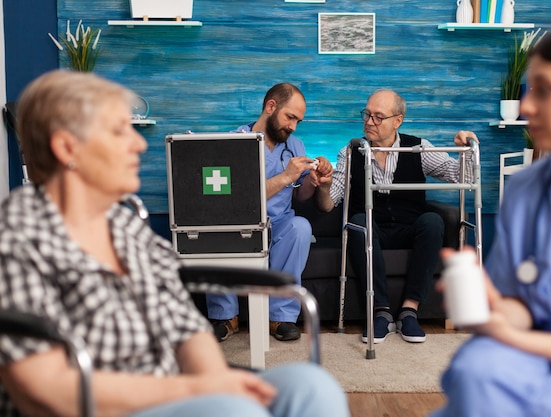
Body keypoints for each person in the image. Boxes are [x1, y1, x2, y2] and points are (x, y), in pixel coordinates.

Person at [0, 70, 350, 417]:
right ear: (66, 147)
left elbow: (186, 328)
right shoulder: (20, 234)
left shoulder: (125, 227)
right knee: (234, 411)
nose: (138, 143)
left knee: (312, 387)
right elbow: (44, 389)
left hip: (169, 383)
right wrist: (196, 389)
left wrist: (216, 380)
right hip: (110, 402)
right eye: (120, 131)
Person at [430, 24, 551, 417]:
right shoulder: (526, 190)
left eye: (544, 90)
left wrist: (510, 336)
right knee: (475, 371)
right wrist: (493, 307)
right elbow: (522, 307)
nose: (525, 107)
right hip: (527, 351)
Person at [322, 89, 478, 344]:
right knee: (359, 223)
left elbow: (464, 176)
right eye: (367, 115)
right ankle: (381, 312)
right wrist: (322, 184)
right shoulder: (350, 152)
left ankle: (409, 311)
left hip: (408, 228)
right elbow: (331, 202)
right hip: (372, 230)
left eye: (378, 117)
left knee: (432, 221)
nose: (369, 122)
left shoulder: (417, 148)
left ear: (398, 120)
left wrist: (466, 148)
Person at [205, 83, 334, 342]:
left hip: (278, 225)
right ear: (271, 106)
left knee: (300, 227)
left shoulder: (294, 145)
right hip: (238, 225)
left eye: (298, 121)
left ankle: (281, 317)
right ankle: (225, 316)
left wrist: (314, 182)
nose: (293, 126)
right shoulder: (233, 143)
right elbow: (235, 201)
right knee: (212, 229)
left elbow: (299, 195)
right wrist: (286, 175)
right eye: (290, 117)